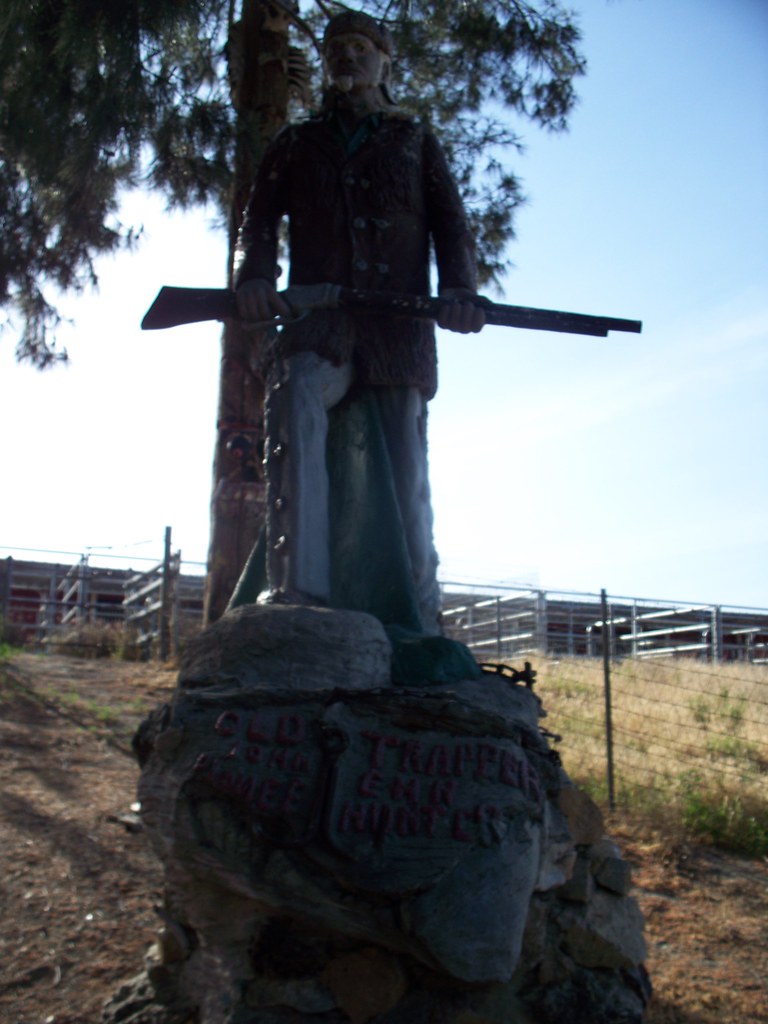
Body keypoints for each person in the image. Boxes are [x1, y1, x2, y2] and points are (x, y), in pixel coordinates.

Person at [233, 10, 484, 635]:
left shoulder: (414, 139)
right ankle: (298, 593)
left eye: (359, 47)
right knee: (294, 395)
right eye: (335, 48)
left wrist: (460, 291)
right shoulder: (295, 143)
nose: (346, 57)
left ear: (383, 59)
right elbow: (256, 224)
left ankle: (420, 616)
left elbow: (451, 225)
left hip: (398, 332)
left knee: (407, 467)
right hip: (321, 321)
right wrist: (254, 280)